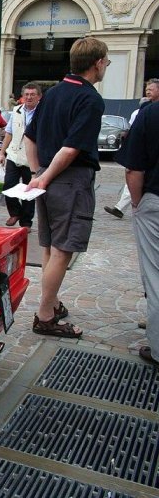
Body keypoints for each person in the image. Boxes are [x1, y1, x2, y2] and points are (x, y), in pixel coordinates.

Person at [25, 37, 110, 339]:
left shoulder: (53, 93)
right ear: (97, 62)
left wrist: (38, 172)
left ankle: (53, 303)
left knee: (50, 247)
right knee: (63, 251)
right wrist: (44, 177)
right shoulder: (90, 98)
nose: (107, 66)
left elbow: (30, 137)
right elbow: (72, 148)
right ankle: (45, 316)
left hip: (47, 176)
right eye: (106, 61)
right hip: (69, 180)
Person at [114, 96, 159, 364]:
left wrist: (137, 202)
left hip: (154, 199)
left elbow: (134, 168)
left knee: (155, 275)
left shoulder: (151, 113)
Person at [105, 80, 159, 218]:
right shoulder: (139, 111)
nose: (148, 92)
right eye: (147, 89)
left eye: (151, 89)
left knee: (134, 176)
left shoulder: (147, 112)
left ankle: (124, 207)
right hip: (141, 160)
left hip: (148, 172)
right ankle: (121, 207)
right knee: (133, 178)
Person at [0, 83, 41, 227]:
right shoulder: (17, 110)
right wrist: (2, 152)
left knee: (29, 192)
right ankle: (15, 212)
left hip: (32, 158)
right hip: (14, 154)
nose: (29, 97)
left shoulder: (42, 112)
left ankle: (26, 222)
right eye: (26, 94)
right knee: (8, 186)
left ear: (39, 96)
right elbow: (9, 133)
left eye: (32, 94)